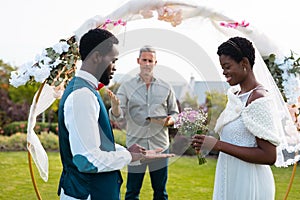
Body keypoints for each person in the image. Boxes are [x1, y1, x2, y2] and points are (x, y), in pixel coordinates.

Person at [57, 29, 171, 200]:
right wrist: (128, 156)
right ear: (96, 57)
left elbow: (97, 144)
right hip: (88, 193)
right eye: (113, 60)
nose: (115, 67)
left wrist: (130, 152)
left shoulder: (86, 90)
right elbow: (87, 160)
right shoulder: (82, 95)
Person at [192, 36, 280, 199]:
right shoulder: (236, 96)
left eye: (227, 66)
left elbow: (269, 156)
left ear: (244, 63)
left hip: (249, 182)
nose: (224, 72)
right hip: (229, 177)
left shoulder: (258, 98)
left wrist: (218, 145)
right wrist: (207, 143)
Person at [109, 45, 179, 200]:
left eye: (150, 60)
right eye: (144, 60)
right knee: (132, 192)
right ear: (138, 61)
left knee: (161, 192)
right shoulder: (127, 87)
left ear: (155, 63)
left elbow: (176, 114)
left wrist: (170, 121)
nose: (147, 63)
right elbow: (117, 116)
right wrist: (114, 107)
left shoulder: (166, 87)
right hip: (136, 147)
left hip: (160, 146)